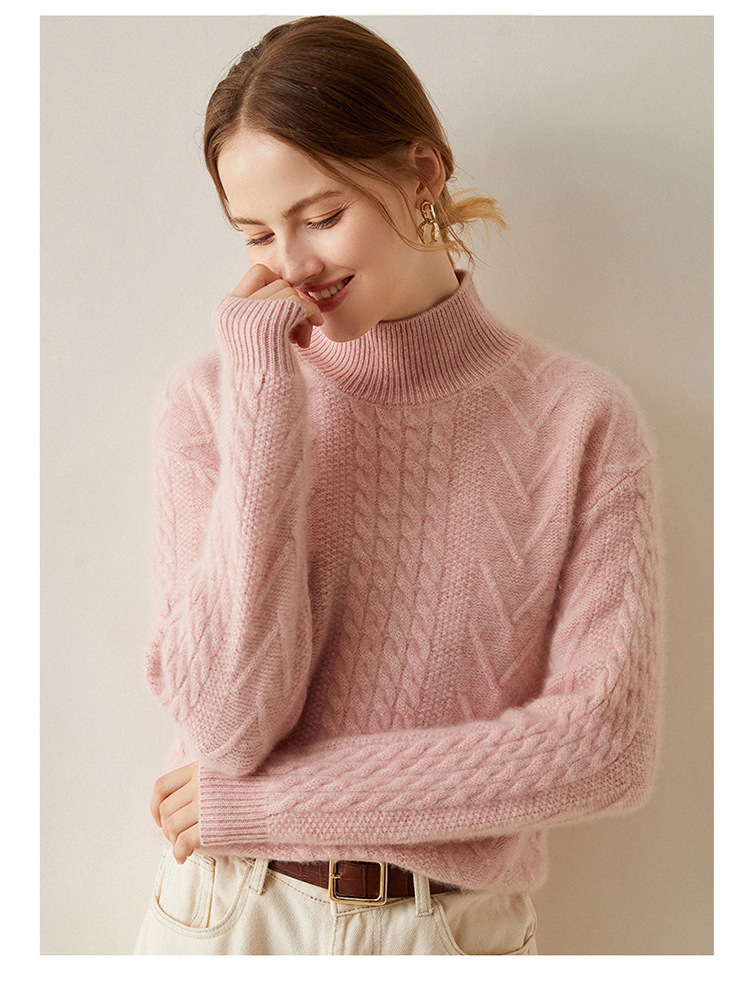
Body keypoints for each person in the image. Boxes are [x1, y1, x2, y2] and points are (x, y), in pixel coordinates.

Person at [134, 15, 664, 956]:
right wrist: (265, 402)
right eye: (256, 234)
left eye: (321, 216)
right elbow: (223, 729)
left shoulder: (580, 419)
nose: (293, 265)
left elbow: (603, 750)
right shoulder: (210, 402)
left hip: (448, 937)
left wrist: (279, 804)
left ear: (422, 175)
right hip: (232, 918)